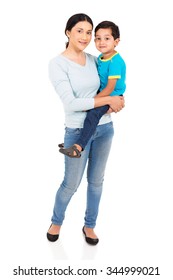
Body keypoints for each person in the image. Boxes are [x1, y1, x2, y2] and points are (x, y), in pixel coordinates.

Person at [47, 13, 125, 245]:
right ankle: (56, 221)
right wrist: (108, 100)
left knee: (97, 181)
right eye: (79, 30)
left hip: (104, 129)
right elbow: (71, 103)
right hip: (76, 132)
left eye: (89, 32)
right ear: (68, 32)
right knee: (70, 184)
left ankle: (89, 226)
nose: (85, 36)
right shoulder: (57, 64)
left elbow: (112, 87)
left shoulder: (95, 59)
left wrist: (117, 101)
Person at [59, 20, 126, 158]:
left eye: (107, 39)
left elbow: (110, 87)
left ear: (116, 41)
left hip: (111, 94)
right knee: (88, 115)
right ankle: (71, 142)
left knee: (92, 115)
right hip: (105, 94)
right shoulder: (101, 58)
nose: (102, 42)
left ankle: (78, 146)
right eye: (98, 38)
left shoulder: (115, 61)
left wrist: (94, 101)